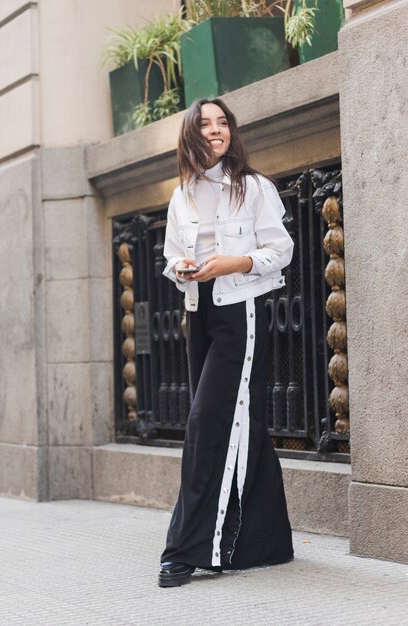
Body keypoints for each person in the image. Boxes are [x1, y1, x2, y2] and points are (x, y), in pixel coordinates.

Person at [159, 98, 294, 588]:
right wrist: (183, 269)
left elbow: (280, 251)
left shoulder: (254, 188)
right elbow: (173, 258)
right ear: (191, 136)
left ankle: (187, 548)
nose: (215, 131)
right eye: (205, 124)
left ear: (231, 133)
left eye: (222, 123)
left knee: (207, 421)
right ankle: (263, 539)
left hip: (242, 311)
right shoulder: (183, 197)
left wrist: (231, 264)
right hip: (201, 312)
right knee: (241, 421)